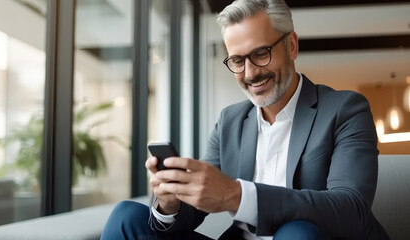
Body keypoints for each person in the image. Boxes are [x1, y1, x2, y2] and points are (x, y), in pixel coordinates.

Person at [101, 0, 390, 239]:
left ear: (291, 45)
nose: (250, 73)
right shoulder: (230, 120)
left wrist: (237, 196)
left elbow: (352, 209)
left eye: (260, 54)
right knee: (128, 216)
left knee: (297, 233)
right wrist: (171, 202)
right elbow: (195, 211)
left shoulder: (345, 109)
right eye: (237, 60)